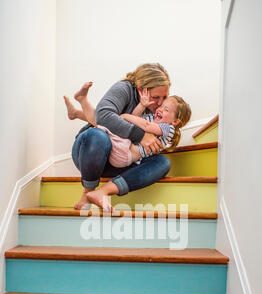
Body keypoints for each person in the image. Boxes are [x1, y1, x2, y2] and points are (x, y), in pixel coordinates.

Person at [65, 63, 181, 211]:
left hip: (122, 159)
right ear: (141, 90)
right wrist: (140, 136)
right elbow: (103, 115)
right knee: (98, 135)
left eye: (164, 97)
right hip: (92, 151)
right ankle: (88, 191)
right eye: (156, 97)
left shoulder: (158, 111)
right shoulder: (124, 89)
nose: (160, 103)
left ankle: (103, 192)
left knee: (162, 163)